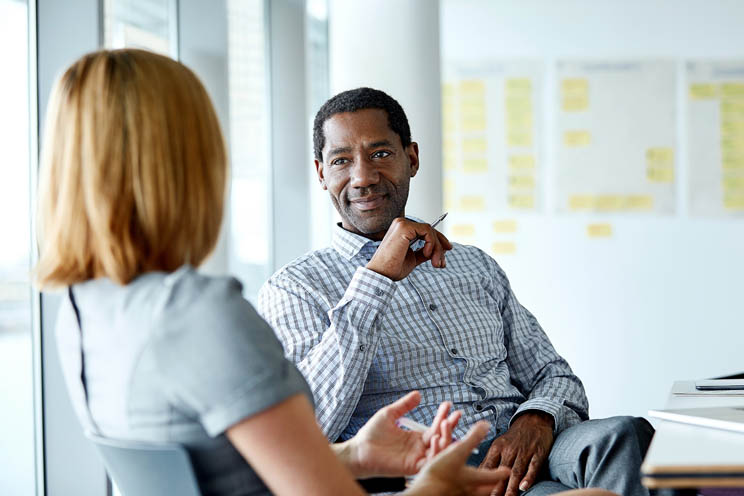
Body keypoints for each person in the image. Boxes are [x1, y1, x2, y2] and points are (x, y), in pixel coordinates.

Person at [35, 49, 513, 496]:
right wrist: (436, 487)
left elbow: (222, 475)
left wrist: (355, 455)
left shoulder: (84, 311)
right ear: (187, 164)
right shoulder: (201, 314)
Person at [257, 87, 655, 496]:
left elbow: (554, 374)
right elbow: (310, 426)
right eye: (342, 161)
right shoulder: (295, 288)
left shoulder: (473, 264)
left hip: (532, 447)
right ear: (322, 173)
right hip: (438, 477)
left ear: (411, 158)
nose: (363, 177)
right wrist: (375, 279)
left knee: (622, 434)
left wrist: (536, 419)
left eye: (380, 154)